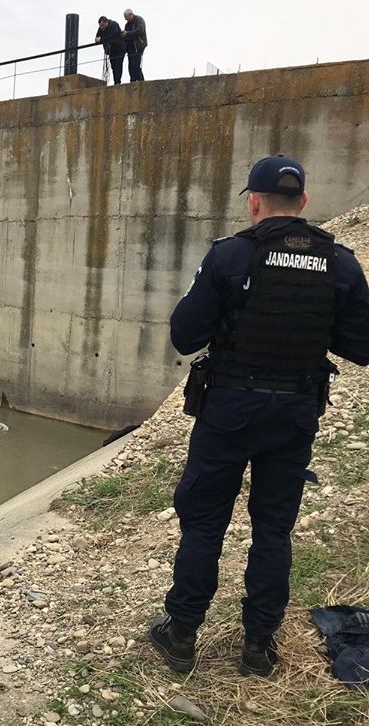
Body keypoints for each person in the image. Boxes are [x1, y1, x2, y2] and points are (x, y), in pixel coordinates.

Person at [150, 155, 369, 677]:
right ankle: (258, 647)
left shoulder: (231, 257)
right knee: (274, 527)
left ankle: (181, 635)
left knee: (204, 522)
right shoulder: (340, 262)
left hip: (229, 408)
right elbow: (362, 346)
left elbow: (185, 335)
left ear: (253, 202)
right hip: (295, 410)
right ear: (304, 204)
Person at [95, 16, 125, 86]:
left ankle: (117, 82)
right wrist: (97, 39)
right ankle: (116, 81)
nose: (101, 27)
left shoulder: (114, 25)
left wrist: (101, 39)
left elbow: (112, 36)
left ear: (106, 22)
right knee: (113, 66)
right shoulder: (101, 28)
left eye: (102, 25)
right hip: (111, 50)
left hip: (119, 49)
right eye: (100, 26)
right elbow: (97, 37)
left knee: (118, 65)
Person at [122, 8, 147, 82]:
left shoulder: (139, 19)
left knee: (136, 63)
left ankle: (140, 80)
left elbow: (140, 31)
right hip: (130, 47)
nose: (125, 19)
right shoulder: (127, 24)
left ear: (130, 15)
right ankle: (133, 80)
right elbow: (126, 35)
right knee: (131, 65)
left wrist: (127, 33)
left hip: (138, 45)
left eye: (126, 17)